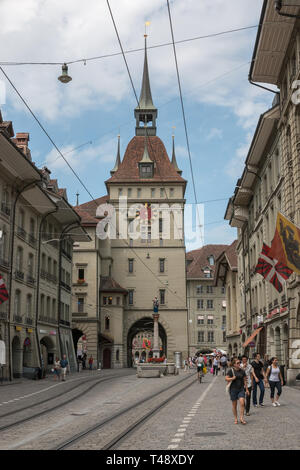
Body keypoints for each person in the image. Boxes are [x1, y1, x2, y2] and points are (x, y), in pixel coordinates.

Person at [226, 357, 249, 425]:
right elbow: (226, 378)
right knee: (234, 405)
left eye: (239, 363)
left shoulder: (242, 371)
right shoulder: (231, 371)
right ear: (234, 364)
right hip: (233, 389)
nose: (239, 364)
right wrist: (232, 378)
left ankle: (241, 418)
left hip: (241, 389)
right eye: (238, 363)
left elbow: (245, 380)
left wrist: (247, 389)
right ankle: (236, 418)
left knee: (242, 403)